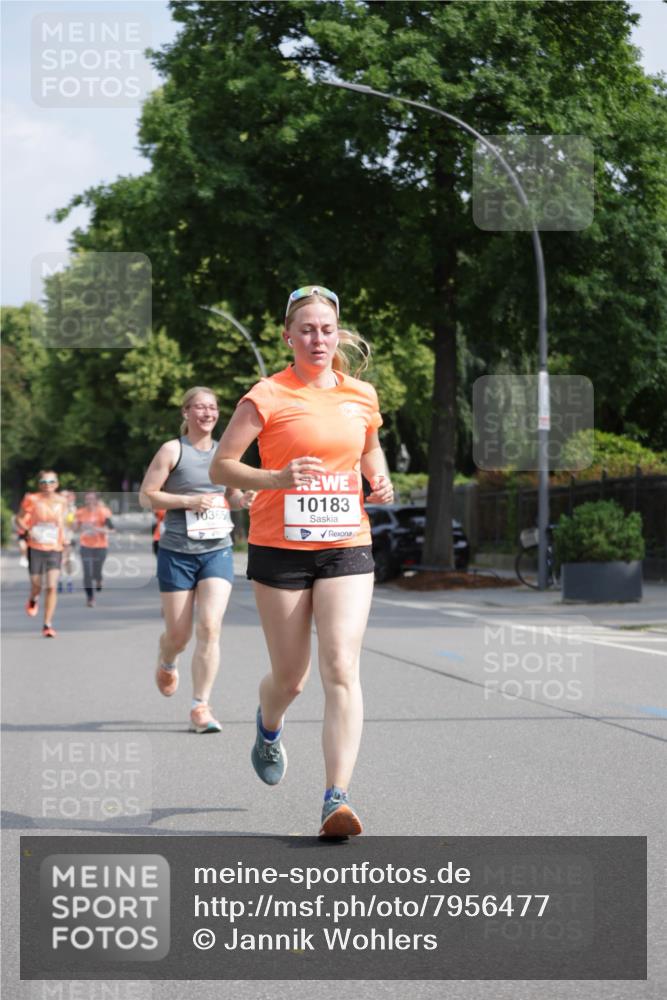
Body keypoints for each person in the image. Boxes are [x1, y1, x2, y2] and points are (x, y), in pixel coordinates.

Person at [210, 284, 394, 837]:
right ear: (289, 336)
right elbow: (222, 467)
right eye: (307, 330)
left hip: (346, 543)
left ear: (339, 335)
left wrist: (376, 474)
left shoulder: (361, 394)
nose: (318, 339)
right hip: (280, 547)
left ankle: (336, 796)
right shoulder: (265, 395)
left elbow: (368, 447)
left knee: (341, 666)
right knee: (291, 678)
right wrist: (276, 479)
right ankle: (269, 726)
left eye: (327, 329)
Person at [139, 386, 255, 734]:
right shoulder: (172, 450)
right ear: (186, 413)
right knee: (179, 635)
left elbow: (230, 496)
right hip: (177, 552)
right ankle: (167, 658)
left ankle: (200, 706)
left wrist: (242, 499)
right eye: (200, 408)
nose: (207, 413)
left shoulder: (226, 453)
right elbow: (148, 497)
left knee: (210, 626)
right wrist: (188, 502)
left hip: (217, 551)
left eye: (213, 408)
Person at [15, 470, 69, 637]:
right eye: (44, 483)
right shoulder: (32, 499)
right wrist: (27, 530)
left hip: (55, 548)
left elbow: (63, 523)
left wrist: (66, 542)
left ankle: (47, 624)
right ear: (39, 485)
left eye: (51, 482)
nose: (48, 485)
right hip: (36, 546)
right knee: (37, 585)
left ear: (57, 484)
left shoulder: (62, 501)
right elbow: (18, 519)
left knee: (52, 586)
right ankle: (33, 598)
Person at [74, 492, 115, 607]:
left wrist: (97, 529)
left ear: (96, 500)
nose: (89, 501)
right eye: (87, 499)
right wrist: (74, 524)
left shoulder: (103, 511)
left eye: (91, 499)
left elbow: (111, 529)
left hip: (101, 545)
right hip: (85, 545)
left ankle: (98, 579)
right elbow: (75, 528)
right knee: (87, 572)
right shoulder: (80, 512)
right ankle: (90, 598)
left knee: (97, 570)